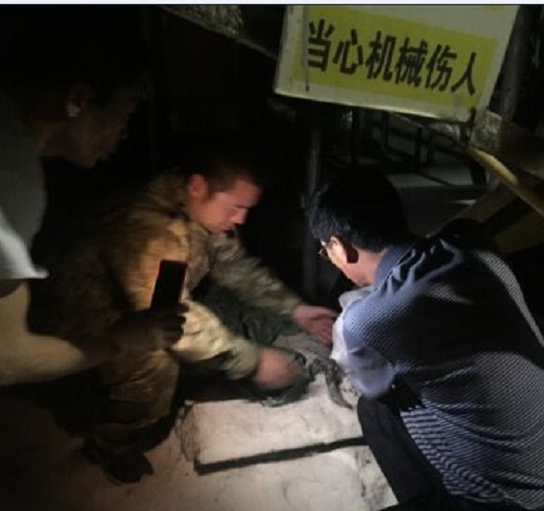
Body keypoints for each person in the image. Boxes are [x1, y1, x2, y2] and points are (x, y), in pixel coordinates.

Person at [0, 7, 185, 511]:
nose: (124, 132)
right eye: (123, 112)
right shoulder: (4, 169)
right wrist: (120, 340)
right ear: (78, 99)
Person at [281, 167, 544, 511]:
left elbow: (372, 383)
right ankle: (428, 510)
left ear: (340, 247)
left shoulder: (365, 320)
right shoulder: (472, 243)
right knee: (377, 414)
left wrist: (355, 314)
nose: (331, 259)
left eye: (325, 251)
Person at [36, 143, 338, 483]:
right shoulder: (152, 231)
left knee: (218, 326)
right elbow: (175, 320)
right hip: (76, 314)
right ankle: (111, 442)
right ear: (198, 186)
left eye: (246, 209)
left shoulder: (197, 211)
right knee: (156, 364)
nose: (241, 219)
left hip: (134, 301)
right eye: (236, 207)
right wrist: (253, 361)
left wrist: (295, 309)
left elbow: (236, 267)